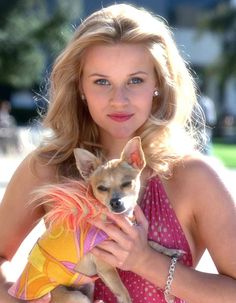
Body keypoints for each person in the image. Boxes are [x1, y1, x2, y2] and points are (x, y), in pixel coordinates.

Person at [0, 3, 235, 303]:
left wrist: (147, 261)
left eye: (135, 80)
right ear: (80, 86)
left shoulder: (193, 177)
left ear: (158, 85)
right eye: (101, 82)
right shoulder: (48, 168)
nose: (119, 100)